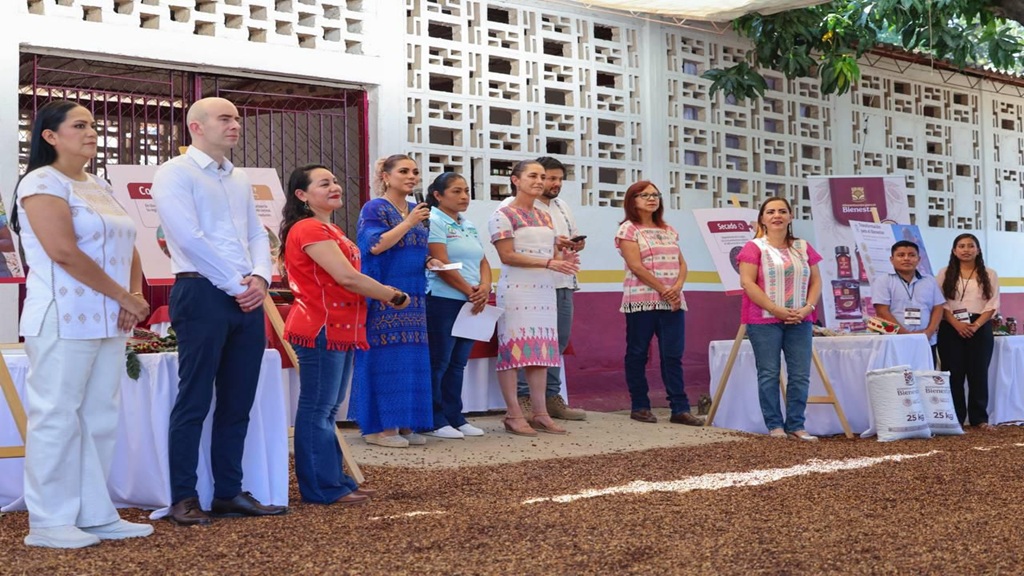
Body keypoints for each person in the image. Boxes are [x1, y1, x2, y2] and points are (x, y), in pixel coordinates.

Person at [13, 100, 153, 548]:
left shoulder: (98, 184)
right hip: (61, 314)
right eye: (79, 125)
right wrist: (121, 296)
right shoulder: (41, 182)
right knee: (56, 416)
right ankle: (49, 522)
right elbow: (63, 251)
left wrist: (133, 296)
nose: (90, 132)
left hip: (109, 318)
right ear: (50, 136)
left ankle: (94, 513)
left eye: (93, 125)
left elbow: (128, 242)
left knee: (99, 417)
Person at [152, 97, 286, 525]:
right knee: (194, 399)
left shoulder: (238, 177)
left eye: (237, 118)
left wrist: (261, 278)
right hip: (202, 292)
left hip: (246, 293)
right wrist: (236, 285)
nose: (235, 125)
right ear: (196, 126)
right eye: (225, 118)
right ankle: (183, 497)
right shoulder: (175, 173)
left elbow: (256, 232)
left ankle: (228, 492)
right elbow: (188, 239)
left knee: (237, 399)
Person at [279, 164, 410, 504]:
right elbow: (346, 278)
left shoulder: (327, 228)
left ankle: (335, 481)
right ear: (302, 195)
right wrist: (390, 294)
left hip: (340, 328)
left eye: (336, 181)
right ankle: (322, 488)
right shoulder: (308, 228)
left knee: (326, 410)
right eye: (324, 184)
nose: (335, 187)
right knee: (318, 410)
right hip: (320, 327)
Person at [489, 160, 579, 437]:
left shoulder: (545, 217)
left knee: (541, 353)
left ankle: (540, 413)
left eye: (542, 176)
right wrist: (549, 263)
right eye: (533, 176)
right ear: (515, 180)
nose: (539, 181)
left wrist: (565, 258)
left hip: (544, 290)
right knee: (513, 352)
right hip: (517, 289)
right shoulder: (502, 214)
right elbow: (508, 256)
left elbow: (552, 255)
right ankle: (514, 414)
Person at [352, 154, 435, 448]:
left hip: (414, 295)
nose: (412, 176)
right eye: (403, 171)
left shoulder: (416, 209)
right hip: (385, 294)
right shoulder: (375, 208)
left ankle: (404, 423)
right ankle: (380, 428)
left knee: (409, 358)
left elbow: (413, 248)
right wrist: (409, 222)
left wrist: (430, 261)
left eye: (415, 171)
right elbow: (374, 245)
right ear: (386, 177)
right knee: (386, 357)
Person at [614, 181, 703, 427]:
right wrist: (664, 289)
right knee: (637, 353)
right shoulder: (628, 230)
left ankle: (680, 409)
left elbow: (681, 263)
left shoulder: (668, 229)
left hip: (672, 302)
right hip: (642, 301)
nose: (652, 199)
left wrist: (677, 288)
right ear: (633, 200)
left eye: (655, 194)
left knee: (673, 355)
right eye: (645, 195)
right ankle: (640, 405)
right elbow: (636, 266)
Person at [737, 196, 822, 441]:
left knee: (800, 374)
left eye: (782, 211)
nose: (777, 216)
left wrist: (807, 308)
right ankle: (774, 425)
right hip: (763, 320)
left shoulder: (803, 247)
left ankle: (796, 424)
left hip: (800, 320)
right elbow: (747, 283)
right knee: (769, 373)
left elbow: (816, 281)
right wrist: (776, 309)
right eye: (771, 211)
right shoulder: (753, 247)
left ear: (790, 216)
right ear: (762, 218)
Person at [423, 172, 491, 439]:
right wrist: (469, 291)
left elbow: (483, 260)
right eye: (456, 191)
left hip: (470, 300)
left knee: (457, 363)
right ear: (438, 196)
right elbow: (442, 264)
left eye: (466, 191)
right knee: (439, 362)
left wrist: (485, 287)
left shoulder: (467, 223)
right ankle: (434, 419)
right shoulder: (434, 220)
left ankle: (455, 416)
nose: (464, 197)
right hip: (443, 299)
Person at [936, 233, 999, 429]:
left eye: (970, 246)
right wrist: (956, 323)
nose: (966, 250)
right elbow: (940, 303)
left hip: (979, 325)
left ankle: (979, 419)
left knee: (978, 373)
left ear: (978, 250)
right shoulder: (945, 272)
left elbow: (992, 303)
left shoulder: (989, 274)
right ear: (954, 251)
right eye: (961, 246)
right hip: (951, 325)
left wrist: (976, 325)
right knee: (953, 373)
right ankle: (955, 418)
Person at [871, 240, 944, 365]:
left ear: (918, 259)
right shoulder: (883, 281)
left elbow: (938, 307)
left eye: (911, 255)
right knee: (900, 381)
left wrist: (928, 332)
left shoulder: (930, 281)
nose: (906, 259)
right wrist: (906, 335)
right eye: (901, 255)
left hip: (926, 341)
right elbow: (882, 311)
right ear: (891, 259)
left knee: (926, 379)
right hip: (895, 341)